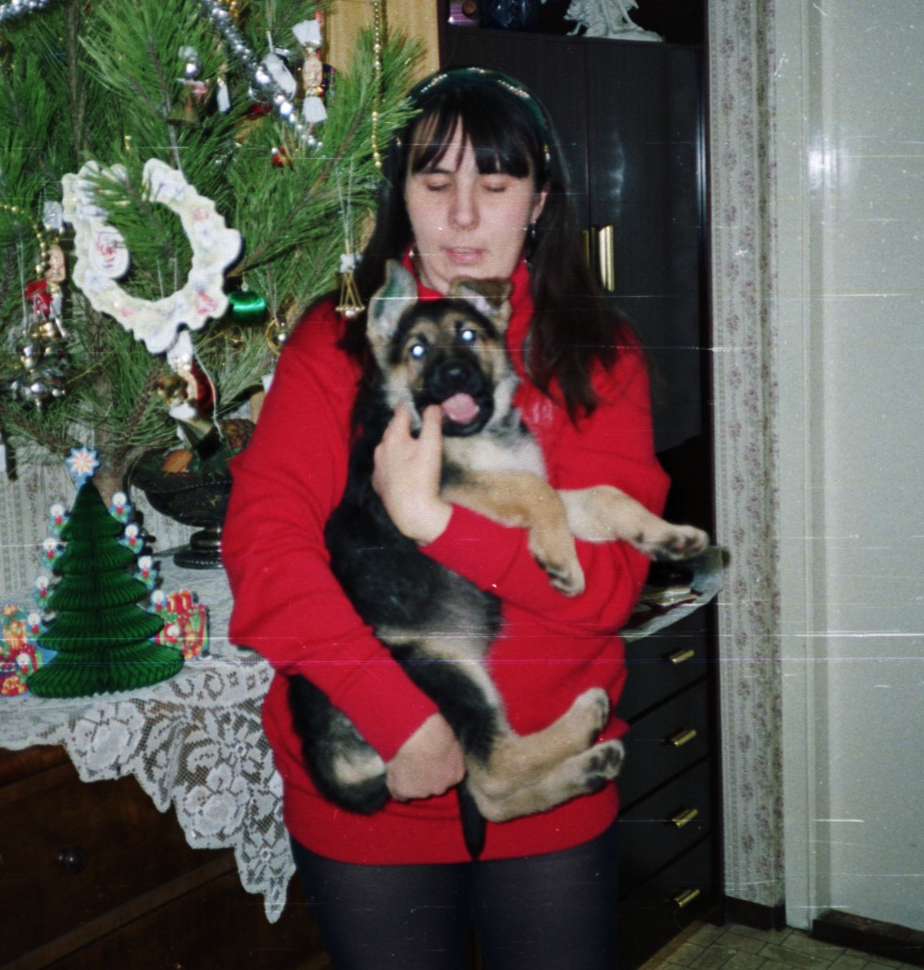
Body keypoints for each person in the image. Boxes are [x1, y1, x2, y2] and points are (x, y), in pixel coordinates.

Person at [223, 66, 670, 970]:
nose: (463, 218)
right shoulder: (334, 343)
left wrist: (433, 519)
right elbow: (264, 549)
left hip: (545, 788)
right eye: (435, 184)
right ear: (402, 197)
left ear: (539, 198)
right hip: (374, 783)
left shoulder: (596, 356)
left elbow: (608, 589)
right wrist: (403, 718)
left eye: (495, 186)